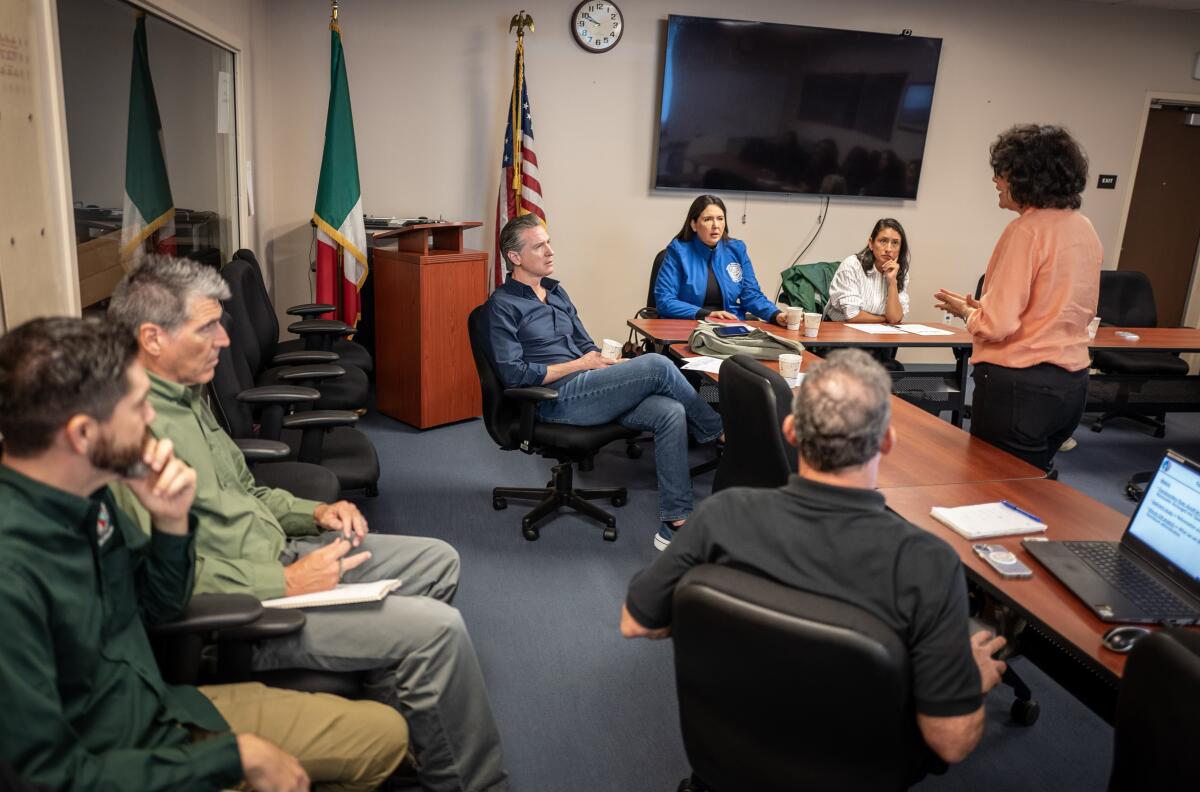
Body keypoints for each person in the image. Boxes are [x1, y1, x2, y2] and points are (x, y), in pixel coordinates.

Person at [106, 256, 508, 792]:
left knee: (438, 559)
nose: (223, 343)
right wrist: (287, 583)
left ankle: (410, 735)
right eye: (206, 328)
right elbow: (162, 581)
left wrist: (313, 512)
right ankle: (471, 783)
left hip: (285, 554)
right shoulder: (130, 432)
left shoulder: (184, 398)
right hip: (247, 607)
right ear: (153, 338)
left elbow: (244, 491)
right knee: (439, 630)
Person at [0, 316, 406, 792]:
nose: (151, 417)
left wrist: (172, 523)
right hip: (120, 760)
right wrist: (229, 759)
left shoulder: (91, 494)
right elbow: (49, 779)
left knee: (384, 736)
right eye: (136, 407)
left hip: (162, 708)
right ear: (83, 435)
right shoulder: (13, 572)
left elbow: (161, 607)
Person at [620, 349, 1007, 768]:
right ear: (887, 440)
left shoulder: (720, 516)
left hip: (729, 754)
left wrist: (711, 623)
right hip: (856, 770)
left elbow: (635, 621)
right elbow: (950, 743)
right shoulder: (927, 563)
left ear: (790, 430)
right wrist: (970, 680)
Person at [487, 214, 724, 550]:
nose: (550, 251)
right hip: (556, 399)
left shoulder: (556, 292)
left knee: (670, 411)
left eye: (549, 241)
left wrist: (611, 366)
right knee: (658, 363)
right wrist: (583, 364)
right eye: (539, 246)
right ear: (515, 257)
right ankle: (718, 432)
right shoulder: (502, 305)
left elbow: (586, 345)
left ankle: (675, 522)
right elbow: (514, 373)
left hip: (593, 387)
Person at [935, 124, 1102, 471]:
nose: (996, 181)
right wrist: (979, 309)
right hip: (1072, 386)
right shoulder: (1084, 228)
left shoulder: (1026, 231)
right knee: (1033, 484)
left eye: (1002, 173)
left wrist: (970, 313)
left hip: (1019, 388)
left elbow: (998, 326)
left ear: (1026, 177)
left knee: (995, 488)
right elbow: (1067, 310)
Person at [653, 194, 786, 325]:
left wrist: (776, 315)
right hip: (689, 326)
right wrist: (707, 315)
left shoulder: (736, 249)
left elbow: (751, 295)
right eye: (708, 219)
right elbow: (664, 301)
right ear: (694, 224)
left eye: (720, 218)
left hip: (730, 328)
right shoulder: (678, 251)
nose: (716, 225)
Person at [826, 218, 912, 324]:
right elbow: (853, 316)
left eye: (895, 243)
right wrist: (885, 319)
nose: (889, 249)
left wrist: (892, 282)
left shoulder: (898, 272)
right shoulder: (852, 265)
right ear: (871, 244)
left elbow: (894, 318)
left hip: (880, 334)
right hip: (840, 330)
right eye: (883, 241)